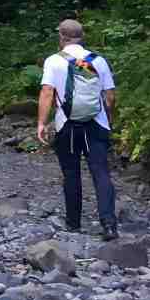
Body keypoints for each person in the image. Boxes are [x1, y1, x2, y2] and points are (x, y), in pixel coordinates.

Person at [37, 18, 118, 239]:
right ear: (81, 37)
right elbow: (110, 96)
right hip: (96, 124)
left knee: (71, 173)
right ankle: (109, 224)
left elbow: (47, 92)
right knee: (100, 172)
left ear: (62, 37)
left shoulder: (54, 61)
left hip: (68, 126)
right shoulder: (98, 61)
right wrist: (107, 118)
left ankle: (73, 223)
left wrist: (42, 123)